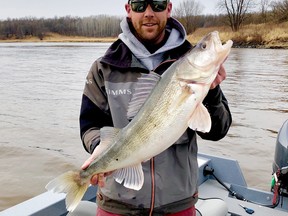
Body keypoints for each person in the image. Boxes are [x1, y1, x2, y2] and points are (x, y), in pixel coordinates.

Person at [79, 0, 232, 215]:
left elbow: (218, 130)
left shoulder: (187, 64)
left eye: (157, 4)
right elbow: (89, 124)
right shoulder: (104, 66)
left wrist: (212, 92)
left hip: (177, 203)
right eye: (140, 5)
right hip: (116, 204)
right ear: (128, 9)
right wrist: (99, 147)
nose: (149, 13)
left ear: (168, 9)